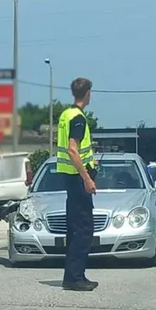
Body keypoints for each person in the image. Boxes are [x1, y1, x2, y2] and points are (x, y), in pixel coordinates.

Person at [56, 78, 98, 292]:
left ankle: (74, 275)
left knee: (74, 228)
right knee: (84, 228)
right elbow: (73, 150)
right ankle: (74, 278)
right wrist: (87, 178)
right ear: (88, 93)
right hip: (77, 178)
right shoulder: (79, 118)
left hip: (68, 177)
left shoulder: (66, 114)